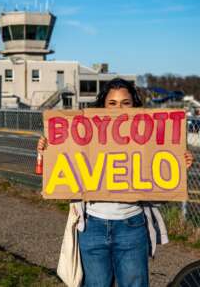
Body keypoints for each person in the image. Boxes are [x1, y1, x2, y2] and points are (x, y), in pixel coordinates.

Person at [37, 78, 193, 287]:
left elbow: (159, 188)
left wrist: (178, 165)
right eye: (112, 103)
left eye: (125, 103)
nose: (119, 108)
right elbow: (64, 176)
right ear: (102, 106)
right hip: (91, 227)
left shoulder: (148, 138)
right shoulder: (86, 135)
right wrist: (47, 152)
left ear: (134, 105)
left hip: (132, 226)